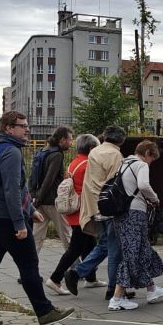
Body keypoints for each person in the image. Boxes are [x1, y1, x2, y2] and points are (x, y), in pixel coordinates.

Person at [0, 111, 75, 325]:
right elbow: (11, 190)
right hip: (7, 220)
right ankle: (44, 311)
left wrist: (32, 209)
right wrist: (19, 223)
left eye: (27, 125)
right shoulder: (11, 152)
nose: (27, 129)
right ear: (8, 128)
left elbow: (16, 188)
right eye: (22, 125)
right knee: (29, 266)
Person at [63, 125, 127, 300]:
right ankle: (113, 290)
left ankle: (77, 273)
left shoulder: (95, 152)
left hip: (94, 204)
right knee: (115, 249)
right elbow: (117, 182)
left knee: (105, 245)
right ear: (121, 140)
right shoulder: (115, 155)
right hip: (109, 206)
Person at [109, 140, 163, 311]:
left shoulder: (124, 163)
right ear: (148, 153)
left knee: (141, 250)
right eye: (152, 158)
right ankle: (117, 298)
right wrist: (154, 198)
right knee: (132, 254)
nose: (151, 162)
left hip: (121, 214)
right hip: (134, 213)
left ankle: (151, 289)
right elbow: (143, 185)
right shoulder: (141, 165)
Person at [46, 134, 105, 295]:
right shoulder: (88, 165)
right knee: (76, 248)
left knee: (89, 245)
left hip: (75, 211)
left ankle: (91, 278)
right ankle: (55, 278)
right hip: (83, 212)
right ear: (92, 148)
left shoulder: (74, 163)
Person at [30, 126, 74, 255]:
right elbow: (49, 180)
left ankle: (29, 270)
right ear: (62, 139)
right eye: (70, 139)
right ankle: (76, 268)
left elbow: (33, 176)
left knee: (36, 238)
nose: (71, 143)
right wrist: (38, 199)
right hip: (53, 202)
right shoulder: (57, 155)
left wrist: (34, 197)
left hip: (39, 201)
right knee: (67, 235)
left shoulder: (42, 151)